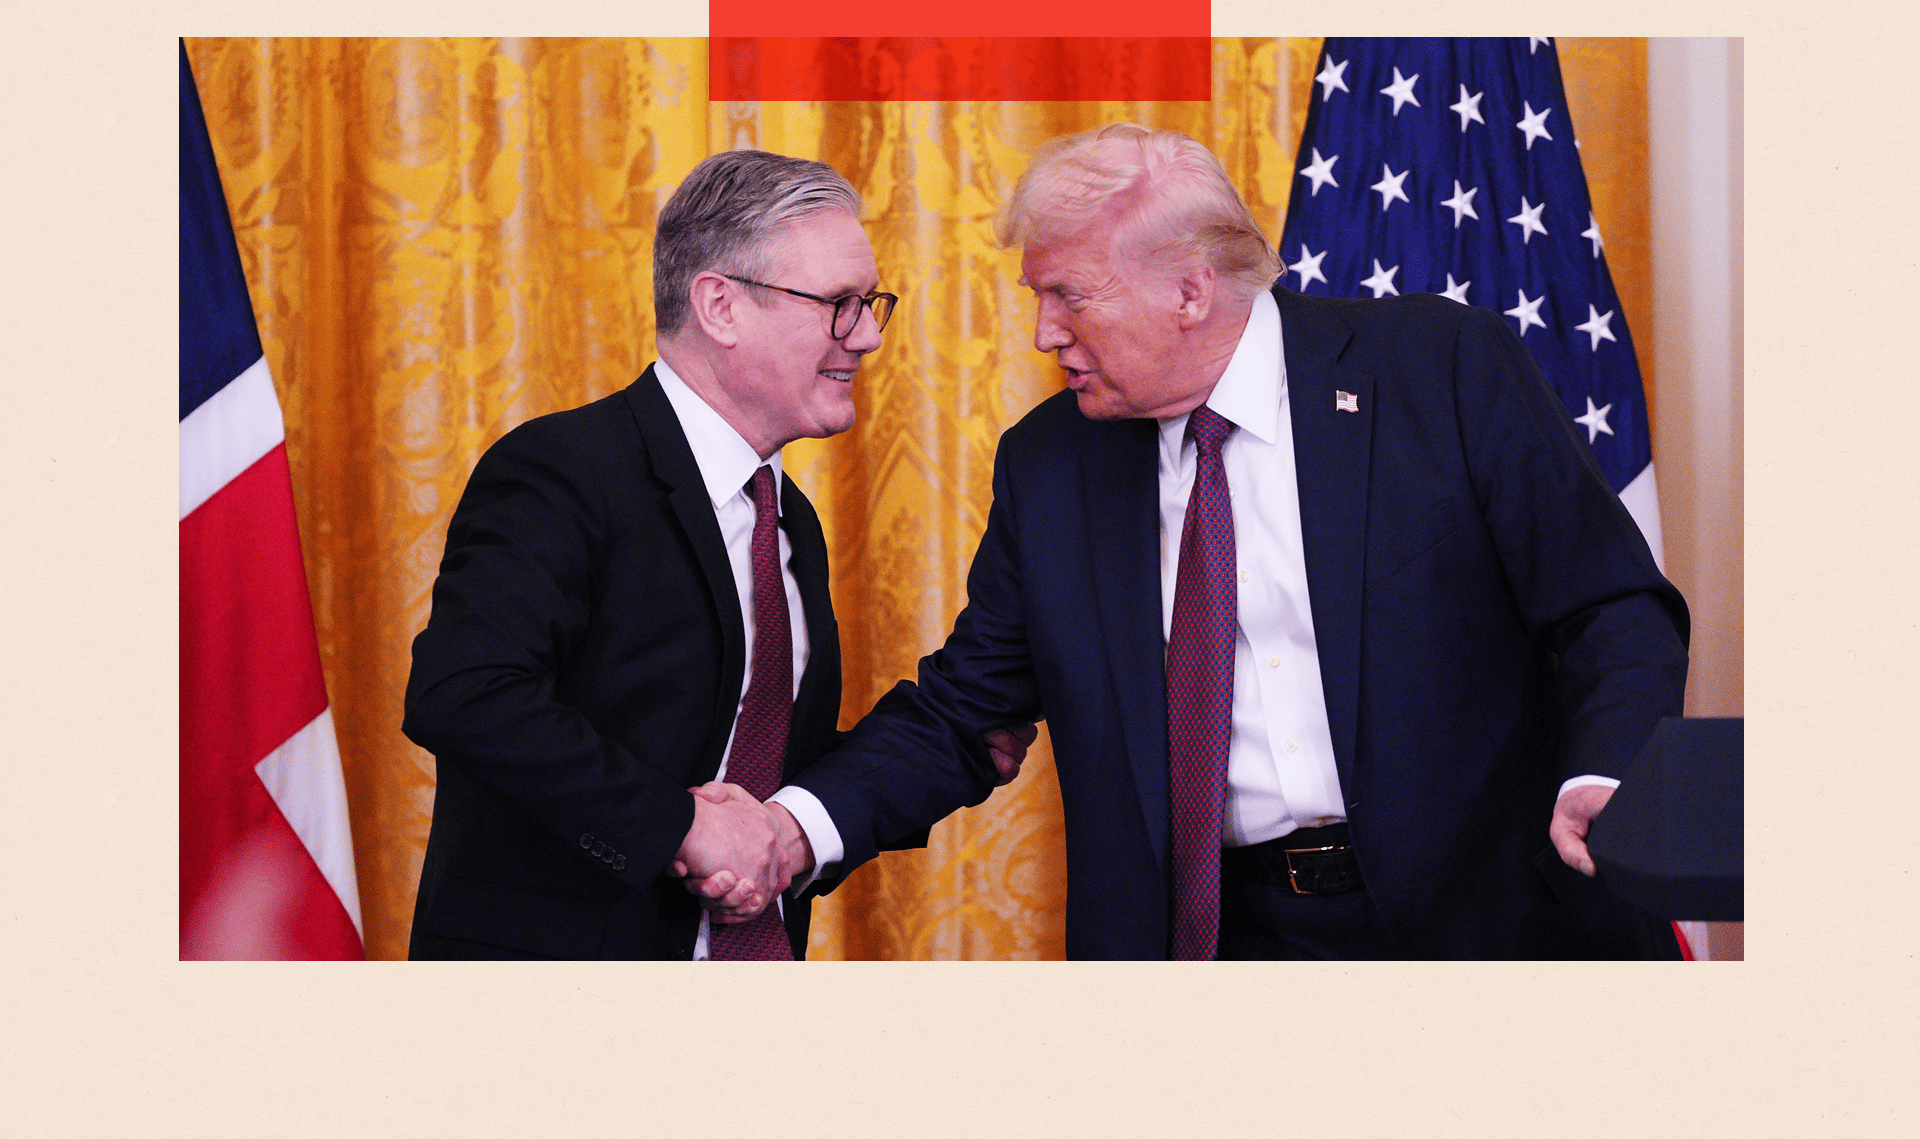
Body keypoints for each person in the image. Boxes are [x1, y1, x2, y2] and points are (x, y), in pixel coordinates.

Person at [769, 124, 1689, 959]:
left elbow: (1610, 606)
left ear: (1190, 289)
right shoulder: (1052, 465)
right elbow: (964, 713)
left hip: (1492, 924)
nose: (1046, 333)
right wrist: (792, 830)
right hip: (1224, 941)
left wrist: (1604, 774)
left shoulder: (1437, 368)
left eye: (1069, 297)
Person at [403, 149, 1026, 960]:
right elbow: (465, 695)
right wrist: (680, 827)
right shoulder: (564, 469)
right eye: (840, 304)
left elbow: (751, 774)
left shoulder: (788, 517)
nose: (869, 336)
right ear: (721, 307)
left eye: (871, 304)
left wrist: (950, 748)